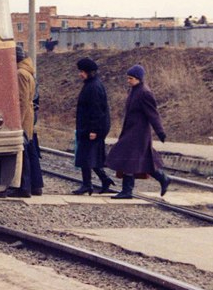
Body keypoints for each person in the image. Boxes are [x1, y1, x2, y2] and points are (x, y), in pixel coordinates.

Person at [106, 63, 170, 199]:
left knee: (129, 158)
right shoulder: (134, 90)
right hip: (131, 131)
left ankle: (127, 191)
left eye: (131, 78)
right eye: (128, 78)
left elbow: (153, 114)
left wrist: (160, 132)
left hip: (138, 133)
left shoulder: (145, 93)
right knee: (142, 159)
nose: (128, 81)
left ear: (138, 78)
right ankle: (163, 178)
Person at [0, 44, 43, 198]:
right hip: (29, 116)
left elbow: (22, 100)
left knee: (22, 152)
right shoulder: (28, 72)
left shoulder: (20, 73)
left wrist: (18, 121)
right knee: (30, 151)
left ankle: (24, 187)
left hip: (24, 117)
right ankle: (34, 185)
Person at [71, 57, 113, 195]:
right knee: (88, 157)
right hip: (87, 128)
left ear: (89, 72)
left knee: (87, 157)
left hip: (91, 128)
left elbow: (97, 110)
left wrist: (95, 130)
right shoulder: (91, 84)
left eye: (82, 71)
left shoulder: (93, 87)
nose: (80, 74)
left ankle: (87, 185)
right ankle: (103, 180)